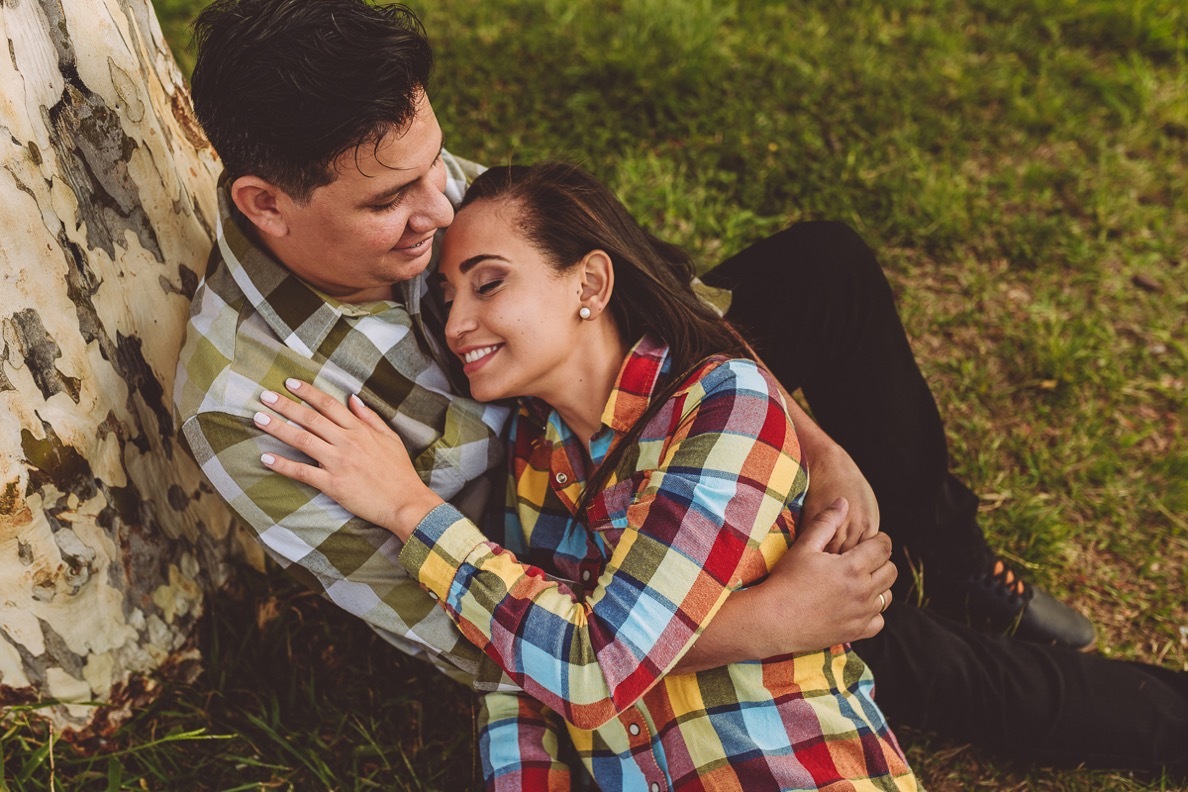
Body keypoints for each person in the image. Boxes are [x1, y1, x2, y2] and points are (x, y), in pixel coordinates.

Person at [173, 0, 1188, 777]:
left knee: (824, 268)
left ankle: (950, 552)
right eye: (391, 202)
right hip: (568, 579)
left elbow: (663, 307)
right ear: (266, 203)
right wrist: (772, 619)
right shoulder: (242, 406)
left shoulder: (423, 182)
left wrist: (818, 448)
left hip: (639, 433)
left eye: (437, 169)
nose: (439, 211)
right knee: (904, 649)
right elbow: (481, 647)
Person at [251, 160, 921, 790]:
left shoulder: (719, 407)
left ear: (590, 285)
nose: (456, 324)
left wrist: (407, 507)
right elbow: (516, 676)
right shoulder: (533, 464)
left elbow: (591, 669)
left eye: (488, 284)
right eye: (447, 297)